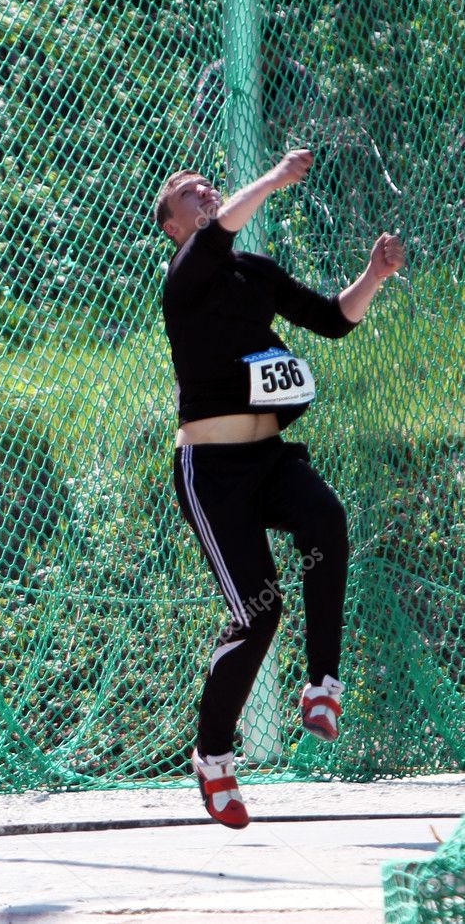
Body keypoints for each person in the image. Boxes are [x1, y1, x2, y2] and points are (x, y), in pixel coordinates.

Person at [153, 149, 405, 829]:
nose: (202, 191)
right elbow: (220, 231)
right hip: (212, 474)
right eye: (188, 194)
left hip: (266, 458)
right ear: (174, 228)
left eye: (207, 184)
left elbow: (331, 319)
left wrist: (373, 276)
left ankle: (322, 683)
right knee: (257, 612)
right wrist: (269, 180)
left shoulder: (255, 274)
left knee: (325, 519)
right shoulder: (185, 276)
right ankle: (212, 755)